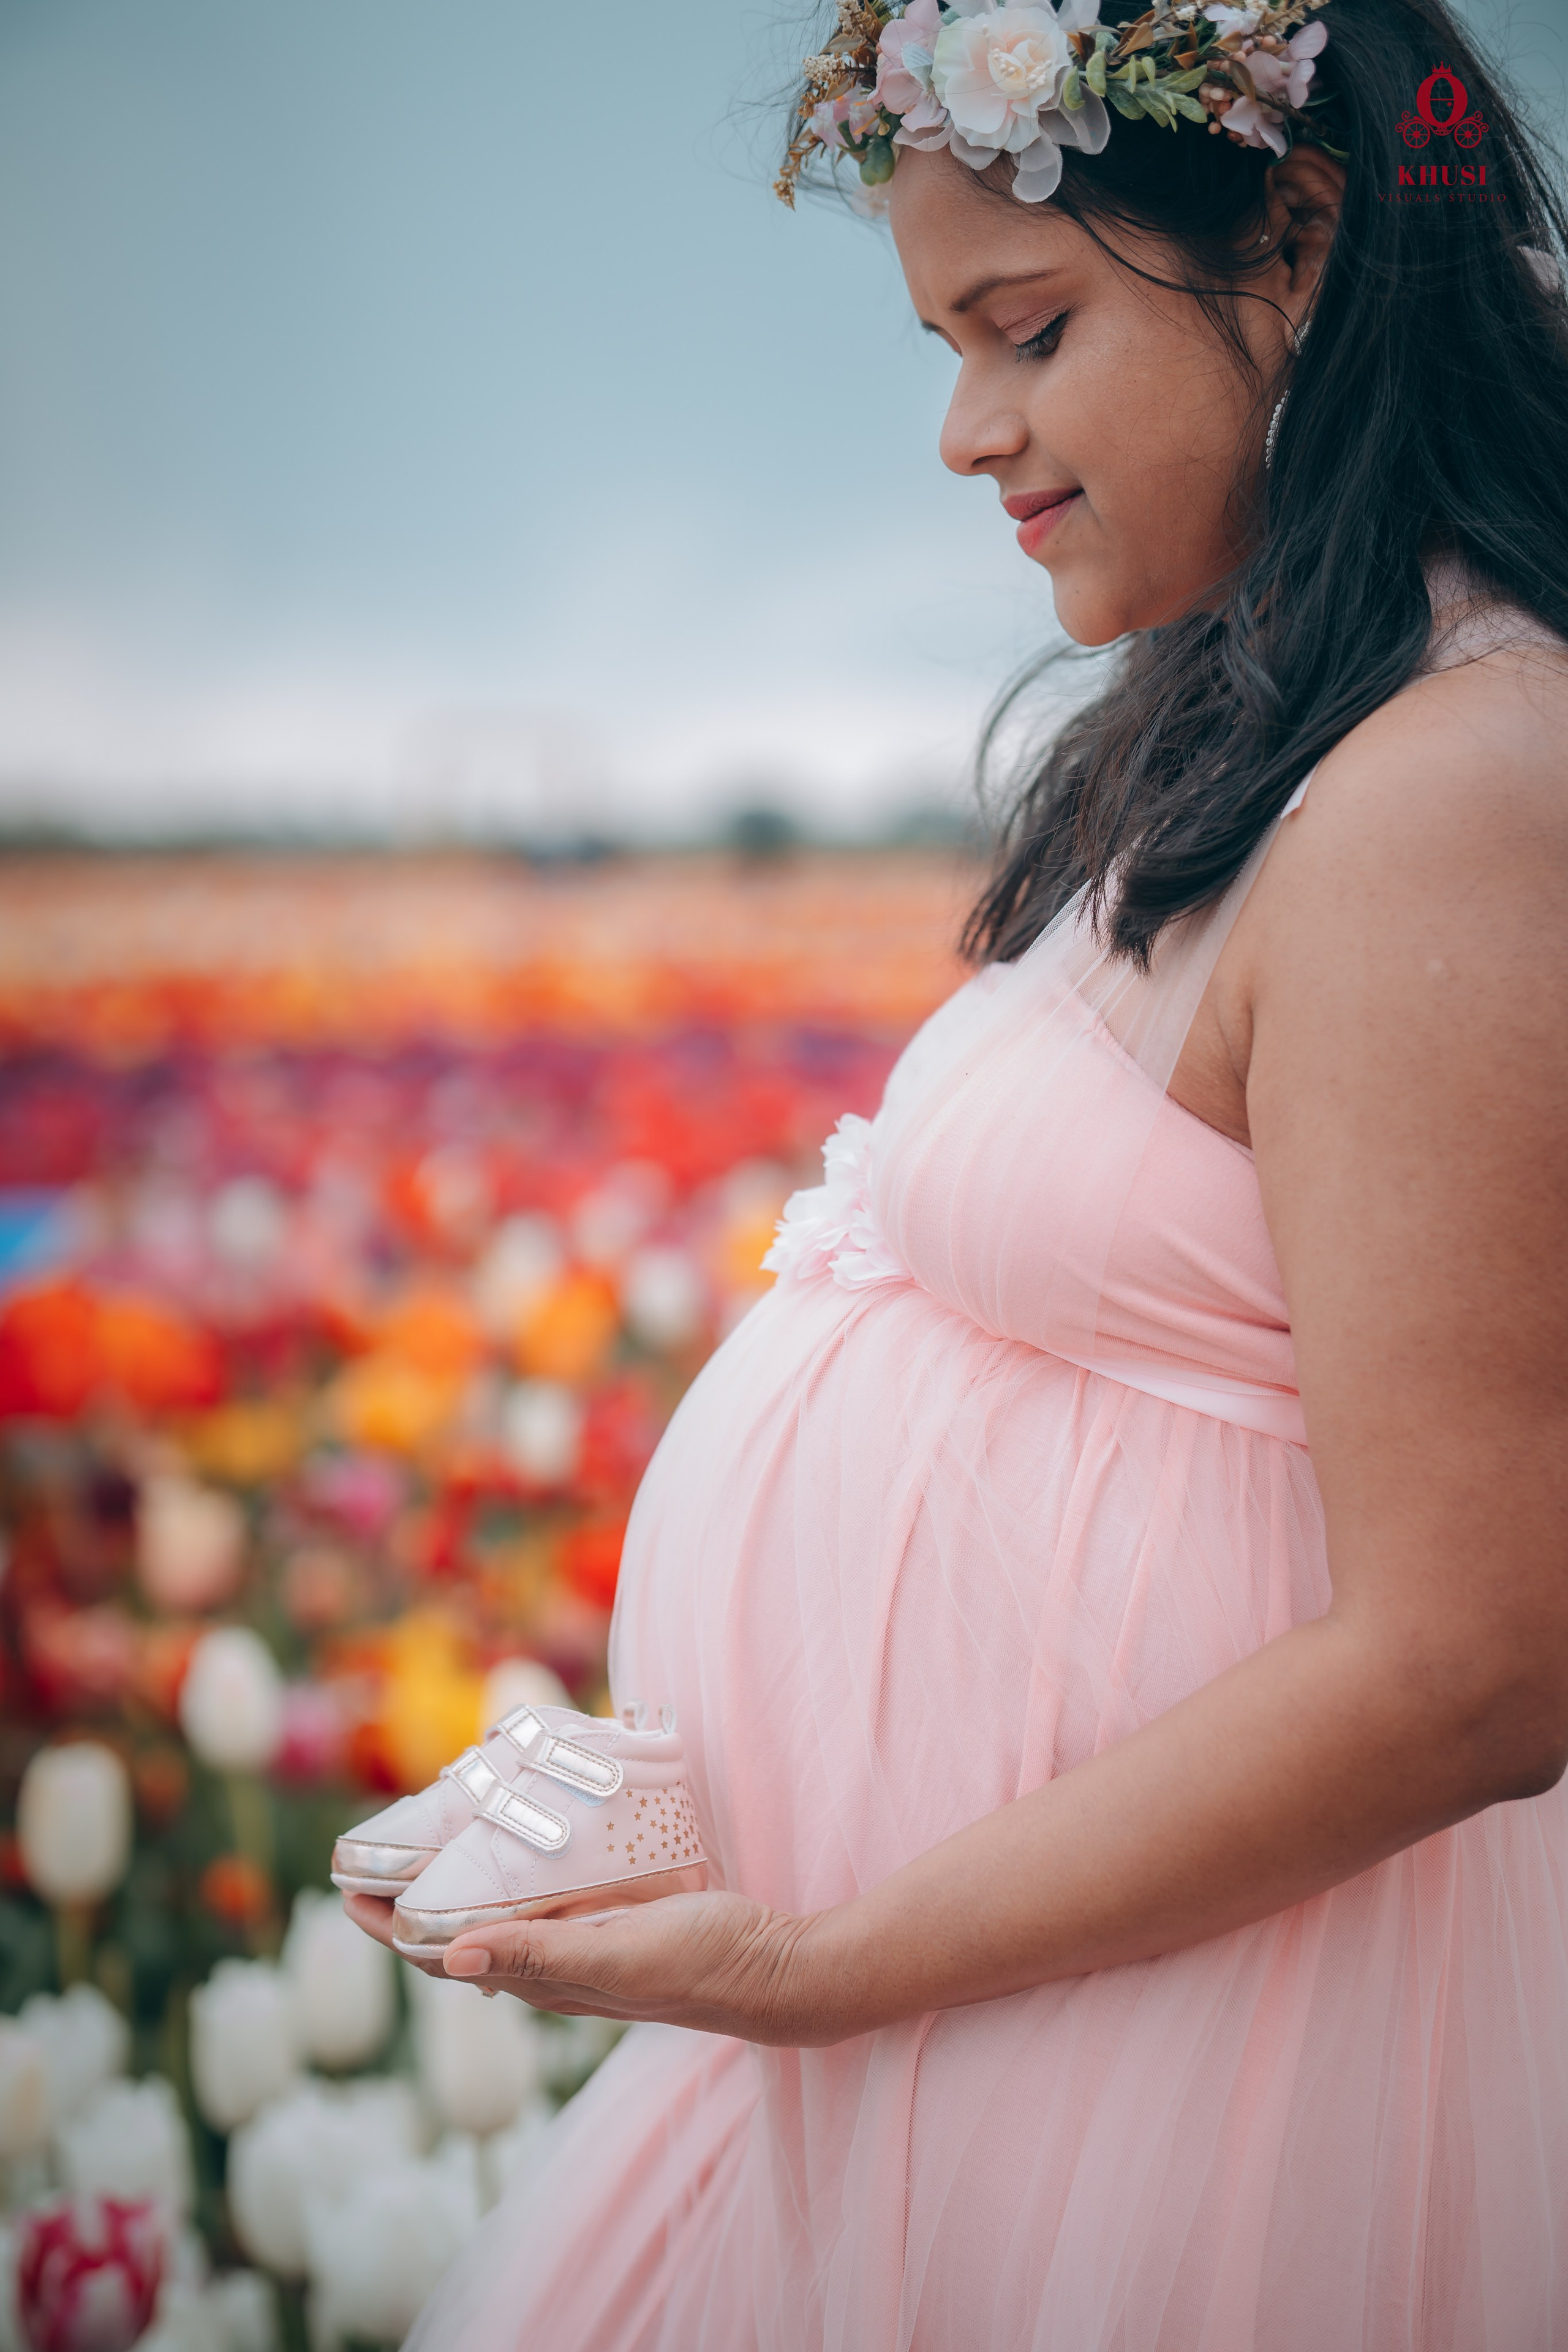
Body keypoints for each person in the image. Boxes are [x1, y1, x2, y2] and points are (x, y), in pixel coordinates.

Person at [350, 0, 1568, 2341]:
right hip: (957, 2025)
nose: (961, 431)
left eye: (1028, 331)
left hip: (1179, 2090)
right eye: (943, 341)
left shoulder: (1467, 794)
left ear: (1300, 240)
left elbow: (1481, 1662)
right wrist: (710, 1792)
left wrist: (822, 1955)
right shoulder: (1273, 706)